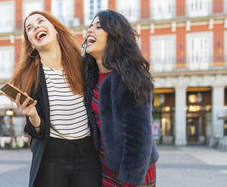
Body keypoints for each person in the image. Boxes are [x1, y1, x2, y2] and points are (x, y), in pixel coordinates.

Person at [9, 11, 101, 187]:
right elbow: (38, 131)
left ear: (55, 29)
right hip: (52, 155)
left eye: (41, 21)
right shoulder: (30, 77)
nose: (36, 27)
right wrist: (33, 116)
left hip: (87, 153)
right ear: (31, 44)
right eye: (29, 28)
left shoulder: (84, 65)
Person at [83, 10, 159, 186]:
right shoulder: (92, 76)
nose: (89, 31)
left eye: (98, 27)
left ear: (115, 36)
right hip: (105, 164)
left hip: (132, 170)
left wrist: (130, 181)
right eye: (90, 26)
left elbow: (140, 139)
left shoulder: (129, 77)